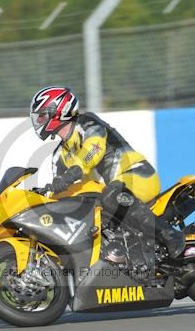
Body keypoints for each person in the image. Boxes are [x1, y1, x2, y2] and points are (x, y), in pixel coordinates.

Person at [30, 86, 186, 260]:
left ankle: (170, 234)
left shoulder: (87, 122)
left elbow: (94, 147)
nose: (39, 120)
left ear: (60, 109)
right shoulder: (59, 156)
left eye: (43, 114)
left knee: (112, 195)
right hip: (107, 196)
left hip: (137, 175)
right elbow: (62, 189)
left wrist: (74, 172)